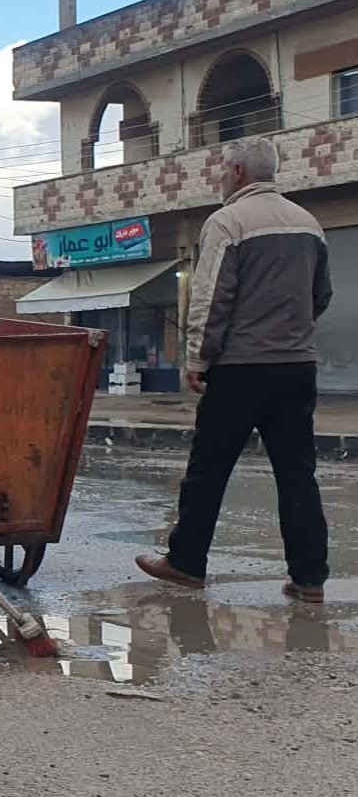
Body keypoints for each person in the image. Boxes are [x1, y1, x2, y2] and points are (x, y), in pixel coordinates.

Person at [136, 137, 333, 603]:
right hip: (296, 366)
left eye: (223, 169)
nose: (221, 176)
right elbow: (321, 295)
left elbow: (211, 299)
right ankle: (310, 579)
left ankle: (186, 563)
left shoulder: (227, 222)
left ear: (239, 172)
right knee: (297, 474)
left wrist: (197, 359)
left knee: (208, 469)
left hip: (241, 368)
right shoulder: (309, 224)